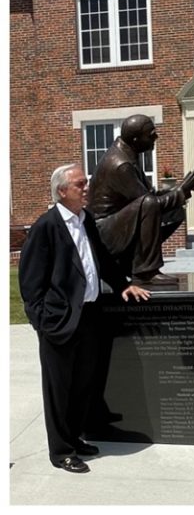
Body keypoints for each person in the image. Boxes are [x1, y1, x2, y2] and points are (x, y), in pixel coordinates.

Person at [18, 164, 151, 474]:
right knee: (59, 390)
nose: (87, 187)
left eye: (86, 182)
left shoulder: (85, 219)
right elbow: (30, 281)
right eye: (80, 184)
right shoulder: (46, 226)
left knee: (82, 385)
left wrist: (123, 284)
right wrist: (43, 321)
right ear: (62, 191)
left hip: (88, 317)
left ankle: (76, 439)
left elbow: (101, 258)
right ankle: (61, 451)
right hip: (59, 322)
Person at [87, 114, 194, 284]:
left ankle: (133, 261)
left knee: (175, 211)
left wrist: (180, 189)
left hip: (120, 222)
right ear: (135, 139)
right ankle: (145, 272)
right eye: (151, 134)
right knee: (150, 204)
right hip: (105, 233)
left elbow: (147, 196)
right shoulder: (121, 164)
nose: (156, 137)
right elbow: (148, 204)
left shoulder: (128, 153)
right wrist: (180, 191)